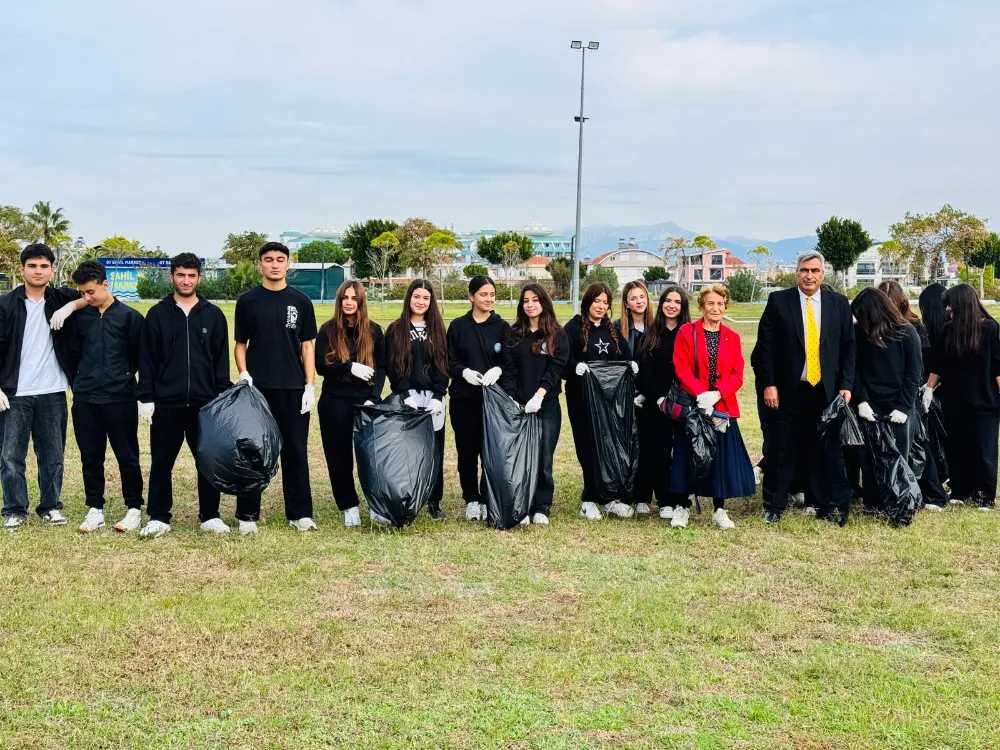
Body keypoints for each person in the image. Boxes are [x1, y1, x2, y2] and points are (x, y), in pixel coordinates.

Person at [751, 251, 856, 523]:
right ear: (796, 272)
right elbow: (765, 349)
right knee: (781, 447)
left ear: (823, 274)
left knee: (823, 448)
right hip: (788, 389)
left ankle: (823, 503)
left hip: (826, 390)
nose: (809, 276)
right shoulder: (778, 301)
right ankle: (774, 505)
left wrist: (845, 384)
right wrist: (769, 384)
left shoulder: (839, 303)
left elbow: (848, 348)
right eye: (804, 270)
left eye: (815, 270)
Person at [136, 253, 232, 538]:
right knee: (162, 461)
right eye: (180, 275)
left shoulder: (213, 315)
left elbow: (220, 360)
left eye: (191, 275)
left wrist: (221, 397)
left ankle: (210, 515)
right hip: (166, 404)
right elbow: (147, 359)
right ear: (172, 277)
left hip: (205, 404)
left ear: (199, 278)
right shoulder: (157, 314)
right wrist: (146, 397)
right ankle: (158, 516)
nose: (186, 280)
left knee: (207, 460)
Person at [234, 242, 319, 533]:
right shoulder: (247, 301)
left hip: (293, 388)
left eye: (280, 260)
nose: (274, 264)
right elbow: (240, 344)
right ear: (261, 264)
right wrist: (244, 374)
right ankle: (247, 514)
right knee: (253, 451)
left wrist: (310, 386)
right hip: (257, 390)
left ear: (288, 264)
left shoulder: (301, 301)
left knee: (295, 451)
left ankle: (300, 513)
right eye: (268, 259)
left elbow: (308, 347)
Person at [0, 244, 86, 529]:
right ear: (23, 269)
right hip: (15, 393)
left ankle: (50, 506)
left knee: (52, 454)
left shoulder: (62, 297)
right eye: (32, 266)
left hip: (52, 390)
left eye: (44, 266)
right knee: (11, 456)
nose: (38, 271)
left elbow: (94, 295)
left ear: (52, 270)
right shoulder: (6, 304)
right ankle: (14, 508)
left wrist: (72, 305)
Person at [667, 286, 754, 529]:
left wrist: (717, 394)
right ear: (702, 307)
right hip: (694, 406)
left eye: (720, 304)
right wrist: (701, 394)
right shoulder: (687, 332)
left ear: (726, 306)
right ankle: (682, 507)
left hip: (721, 407)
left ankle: (719, 509)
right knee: (687, 454)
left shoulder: (733, 337)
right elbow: (680, 366)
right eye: (710, 304)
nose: (715, 308)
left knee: (720, 458)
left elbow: (738, 374)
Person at [68, 260, 146, 533]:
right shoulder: (80, 317)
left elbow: (140, 358)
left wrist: (125, 381)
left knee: (127, 456)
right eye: (82, 294)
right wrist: (79, 383)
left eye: (90, 292)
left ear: (105, 284)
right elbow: (72, 355)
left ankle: (134, 508)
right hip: (85, 400)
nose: (86, 297)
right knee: (90, 456)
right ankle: (95, 509)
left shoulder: (130, 317)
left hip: (120, 399)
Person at [563, 281, 637, 520]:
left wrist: (631, 365)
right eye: (597, 301)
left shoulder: (611, 329)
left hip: (609, 401)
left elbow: (625, 354)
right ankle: (589, 499)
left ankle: (609, 497)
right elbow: (563, 362)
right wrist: (576, 367)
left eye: (605, 302)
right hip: (582, 401)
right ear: (588, 301)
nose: (601, 306)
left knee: (609, 446)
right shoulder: (572, 328)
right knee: (588, 448)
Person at [315, 280, 386, 527]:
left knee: (370, 457)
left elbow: (382, 367)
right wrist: (348, 367)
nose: (348, 302)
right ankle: (349, 505)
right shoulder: (328, 330)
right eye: (345, 298)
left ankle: (377, 505)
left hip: (365, 402)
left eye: (354, 298)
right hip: (334, 402)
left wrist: (373, 398)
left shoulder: (374, 331)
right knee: (339, 457)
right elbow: (321, 366)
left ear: (361, 302)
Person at [923, 284, 1000, 510]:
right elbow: (939, 364)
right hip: (954, 402)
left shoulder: (990, 329)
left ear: (962, 304)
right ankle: (960, 490)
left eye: (951, 304)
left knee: (984, 450)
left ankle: (985, 496)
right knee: (957, 449)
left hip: (985, 403)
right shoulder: (948, 329)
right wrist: (929, 388)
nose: (948, 308)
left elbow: (997, 367)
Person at [500, 284, 569, 524]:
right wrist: (511, 398)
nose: (530, 305)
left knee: (543, 457)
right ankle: (523, 504)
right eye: (525, 300)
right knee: (520, 457)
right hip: (518, 406)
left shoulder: (557, 335)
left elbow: (555, 368)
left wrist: (540, 395)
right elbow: (508, 369)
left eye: (535, 300)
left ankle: (541, 505)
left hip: (546, 405)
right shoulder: (513, 334)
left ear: (544, 303)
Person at [850, 287, 923, 515]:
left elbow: (914, 373)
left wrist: (903, 407)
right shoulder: (859, 334)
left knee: (898, 455)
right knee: (869, 457)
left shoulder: (907, 332)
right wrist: (862, 401)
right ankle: (873, 504)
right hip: (870, 403)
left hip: (899, 404)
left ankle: (898, 503)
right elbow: (855, 370)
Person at [879, 279, 948, 509]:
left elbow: (921, 363)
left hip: (910, 392)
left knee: (918, 443)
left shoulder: (913, 326)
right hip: (884, 391)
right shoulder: (875, 326)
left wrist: (924, 387)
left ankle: (932, 493)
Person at [447, 276, 511, 522]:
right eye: (483, 294)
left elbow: (508, 360)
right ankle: (471, 499)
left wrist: (499, 370)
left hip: (492, 402)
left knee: (490, 452)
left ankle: (486, 497)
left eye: (492, 294)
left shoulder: (502, 327)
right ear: (471, 296)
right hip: (464, 400)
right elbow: (449, 360)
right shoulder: (458, 326)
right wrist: (463, 372)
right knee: (467, 452)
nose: (488, 299)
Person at [385, 279, 449, 520]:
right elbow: (392, 366)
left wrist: (438, 395)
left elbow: (443, 365)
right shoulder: (395, 329)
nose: (420, 302)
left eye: (425, 298)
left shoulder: (438, 330)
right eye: (416, 297)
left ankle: (434, 500)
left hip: (433, 401)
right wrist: (404, 393)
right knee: (407, 452)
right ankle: (409, 498)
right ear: (409, 298)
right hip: (407, 399)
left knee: (434, 451)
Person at [639, 286, 692, 519]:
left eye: (677, 302)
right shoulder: (650, 334)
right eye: (667, 300)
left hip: (683, 403)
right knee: (659, 452)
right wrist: (658, 397)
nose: (672, 305)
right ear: (661, 304)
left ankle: (681, 497)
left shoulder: (690, 333)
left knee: (682, 452)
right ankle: (664, 500)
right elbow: (644, 371)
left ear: (683, 307)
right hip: (656, 403)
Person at [615, 280, 655, 514]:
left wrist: (648, 394)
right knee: (627, 446)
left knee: (648, 446)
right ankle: (625, 493)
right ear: (626, 304)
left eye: (642, 297)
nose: (639, 301)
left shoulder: (655, 328)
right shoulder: (617, 328)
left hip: (650, 397)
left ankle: (644, 496)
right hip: (625, 397)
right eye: (633, 298)